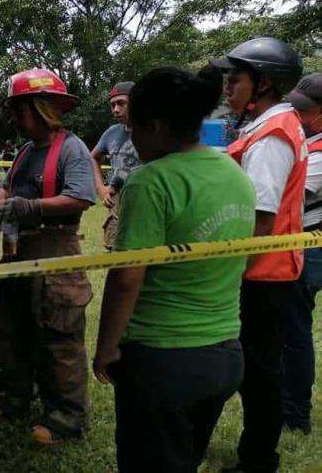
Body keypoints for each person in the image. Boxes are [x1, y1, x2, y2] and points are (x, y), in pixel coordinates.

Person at [93, 67, 255, 472]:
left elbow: (127, 276)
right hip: (225, 355)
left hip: (163, 361)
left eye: (135, 128)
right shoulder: (235, 173)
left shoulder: (151, 181)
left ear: (159, 127)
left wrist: (107, 347)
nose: (130, 138)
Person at [0, 68, 95, 445]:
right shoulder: (25, 152)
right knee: (12, 325)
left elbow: (81, 196)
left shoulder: (72, 148)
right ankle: (14, 395)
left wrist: (30, 207)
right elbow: (3, 188)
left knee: (58, 334)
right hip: (18, 251)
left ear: (41, 108)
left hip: (55, 248)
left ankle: (66, 415)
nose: (15, 119)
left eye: (19, 110)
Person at [210, 37, 306, 473]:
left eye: (236, 79)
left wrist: (230, 271)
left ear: (264, 83)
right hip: (263, 270)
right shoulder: (264, 126)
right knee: (255, 366)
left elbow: (261, 218)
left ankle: (258, 459)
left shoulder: (272, 136)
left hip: (262, 272)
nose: (228, 87)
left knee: (259, 373)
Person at [282, 72, 322, 435]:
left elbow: (296, 194)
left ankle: (295, 413)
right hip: (304, 242)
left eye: (307, 112)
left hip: (309, 245)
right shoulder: (310, 142)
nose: (300, 116)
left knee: (294, 330)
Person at [90, 82, 141, 250]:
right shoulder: (111, 132)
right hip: (117, 200)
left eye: (121, 103)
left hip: (145, 200)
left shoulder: (152, 131)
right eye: (112, 105)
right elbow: (92, 158)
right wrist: (100, 188)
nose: (116, 109)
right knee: (115, 252)